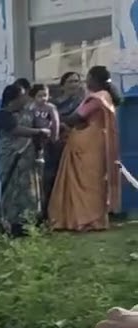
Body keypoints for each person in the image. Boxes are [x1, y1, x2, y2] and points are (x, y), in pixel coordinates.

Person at [48, 65, 122, 232]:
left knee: (85, 182)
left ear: (94, 80)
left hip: (87, 143)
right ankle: (94, 219)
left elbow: (77, 117)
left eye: (87, 77)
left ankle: (85, 219)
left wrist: (55, 118)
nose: (85, 81)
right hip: (99, 141)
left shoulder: (96, 98)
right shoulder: (107, 97)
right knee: (95, 181)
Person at [0, 82, 47, 236]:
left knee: (28, 191)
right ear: (14, 99)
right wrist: (38, 131)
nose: (26, 99)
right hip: (11, 159)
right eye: (23, 96)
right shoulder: (3, 115)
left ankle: (28, 223)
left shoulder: (27, 114)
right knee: (11, 190)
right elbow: (14, 130)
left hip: (27, 161)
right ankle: (10, 224)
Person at [44, 71, 86, 214]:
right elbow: (46, 121)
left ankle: (72, 211)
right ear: (62, 86)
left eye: (76, 81)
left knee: (74, 177)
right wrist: (59, 126)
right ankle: (51, 211)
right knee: (53, 176)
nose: (74, 84)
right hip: (56, 144)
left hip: (77, 142)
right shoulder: (53, 104)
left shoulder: (83, 102)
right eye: (70, 81)